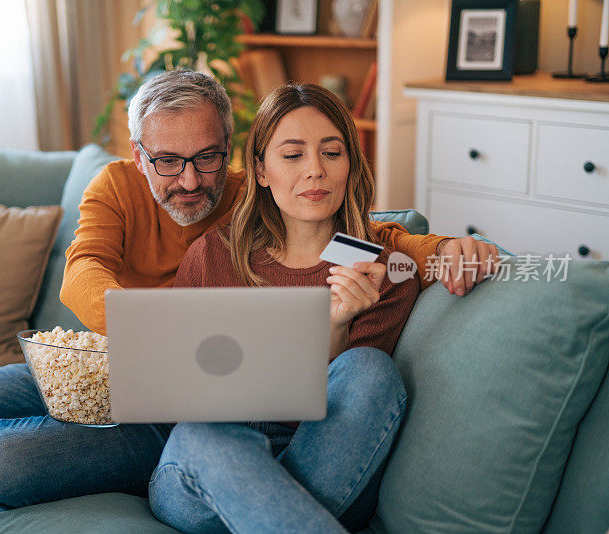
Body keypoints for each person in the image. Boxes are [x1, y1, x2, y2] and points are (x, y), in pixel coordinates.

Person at [0, 70, 497, 534]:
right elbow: (81, 274)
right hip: (120, 369)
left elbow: (364, 224)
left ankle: (214, 482)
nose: (190, 180)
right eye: (167, 161)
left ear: (233, 154)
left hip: (204, 416)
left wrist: (449, 246)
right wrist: (161, 335)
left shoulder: (264, 194)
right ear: (138, 157)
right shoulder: (121, 191)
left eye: (207, 158)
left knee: (334, 381)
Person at [147, 82, 417, 534]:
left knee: (369, 369)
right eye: (293, 155)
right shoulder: (214, 255)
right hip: (209, 464)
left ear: (351, 164)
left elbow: (344, 407)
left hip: (324, 462)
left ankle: (263, 513)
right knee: (203, 436)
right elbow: (179, 400)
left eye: (332, 154)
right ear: (262, 169)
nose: (315, 171)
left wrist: (336, 325)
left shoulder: (378, 271)